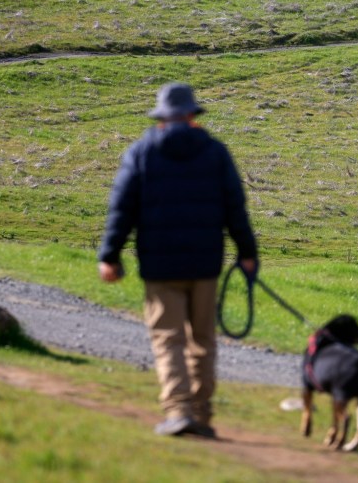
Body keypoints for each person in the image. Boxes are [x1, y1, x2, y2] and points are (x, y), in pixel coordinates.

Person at [98, 82, 258, 439]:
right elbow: (236, 209)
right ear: (191, 115)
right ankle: (201, 415)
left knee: (168, 339)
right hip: (205, 265)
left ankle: (178, 411)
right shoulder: (216, 152)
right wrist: (247, 254)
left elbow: (121, 209)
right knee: (202, 340)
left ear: (161, 118)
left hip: (160, 266)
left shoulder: (141, 152)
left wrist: (110, 255)